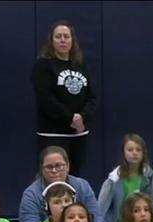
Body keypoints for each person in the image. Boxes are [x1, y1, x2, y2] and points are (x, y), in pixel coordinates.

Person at [32, 20, 96, 176]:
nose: (62, 40)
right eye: (58, 36)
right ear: (51, 40)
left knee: (74, 176)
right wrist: (71, 118)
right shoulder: (43, 65)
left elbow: (92, 97)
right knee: (54, 177)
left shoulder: (80, 64)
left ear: (72, 41)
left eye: (66, 36)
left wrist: (82, 117)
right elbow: (46, 99)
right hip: (53, 134)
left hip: (78, 133)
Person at [19, 146, 104, 222]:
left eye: (59, 166)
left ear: (68, 166)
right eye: (49, 167)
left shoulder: (82, 186)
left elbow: (96, 219)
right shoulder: (31, 194)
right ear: (42, 169)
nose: (54, 171)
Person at [97, 134, 153, 222]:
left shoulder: (148, 175)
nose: (134, 153)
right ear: (123, 153)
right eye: (130, 150)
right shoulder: (114, 179)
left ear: (143, 153)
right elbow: (100, 209)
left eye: (138, 150)